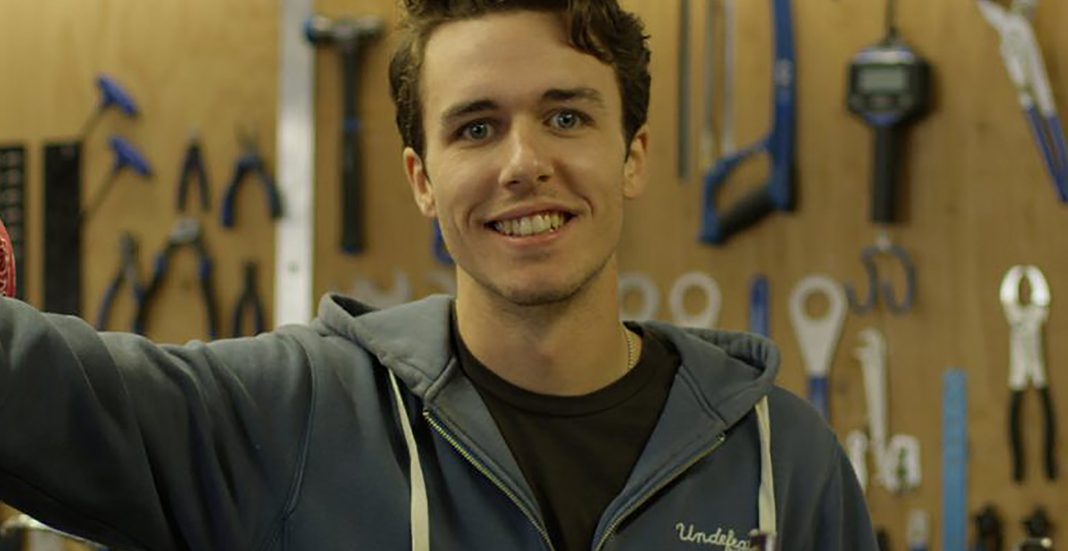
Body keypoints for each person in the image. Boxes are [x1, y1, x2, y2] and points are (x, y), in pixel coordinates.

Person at [0, 0, 877, 549]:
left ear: (633, 156)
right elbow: (41, 392)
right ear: (422, 178)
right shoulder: (300, 415)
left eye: (566, 116)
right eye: (476, 128)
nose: (524, 163)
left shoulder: (783, 460)